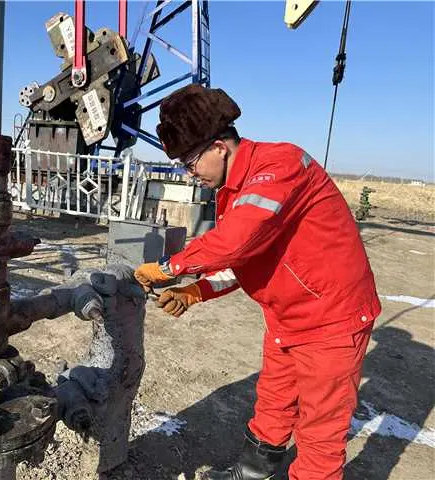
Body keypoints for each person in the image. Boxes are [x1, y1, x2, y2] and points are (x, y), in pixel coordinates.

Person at [134, 84, 381, 480]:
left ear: (219, 147)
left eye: (191, 162)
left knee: (320, 431)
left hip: (331, 319)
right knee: (274, 402)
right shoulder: (232, 188)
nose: (190, 174)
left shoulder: (280, 165)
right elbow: (243, 260)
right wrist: (196, 291)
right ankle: (251, 473)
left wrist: (168, 267)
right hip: (287, 316)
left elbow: (235, 240)